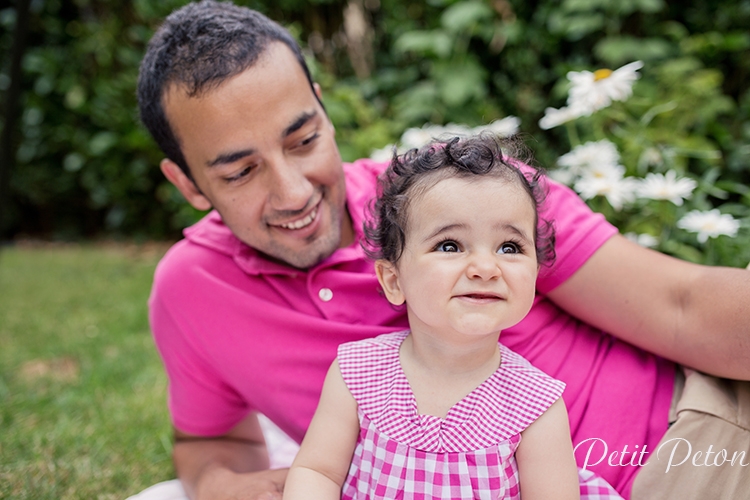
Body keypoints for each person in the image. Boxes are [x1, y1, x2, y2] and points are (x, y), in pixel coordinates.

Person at [132, 1, 750, 499]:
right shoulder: (192, 290)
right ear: (186, 182)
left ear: (324, 107)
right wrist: (223, 487)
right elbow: (208, 443)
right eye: (241, 172)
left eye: (303, 139)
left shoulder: (470, 196)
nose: (293, 192)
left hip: (694, 437)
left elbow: (680, 305)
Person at [283, 135, 623, 499]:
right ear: (394, 281)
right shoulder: (359, 374)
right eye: (450, 245)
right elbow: (317, 471)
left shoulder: (533, 406)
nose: (484, 267)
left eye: (510, 247)